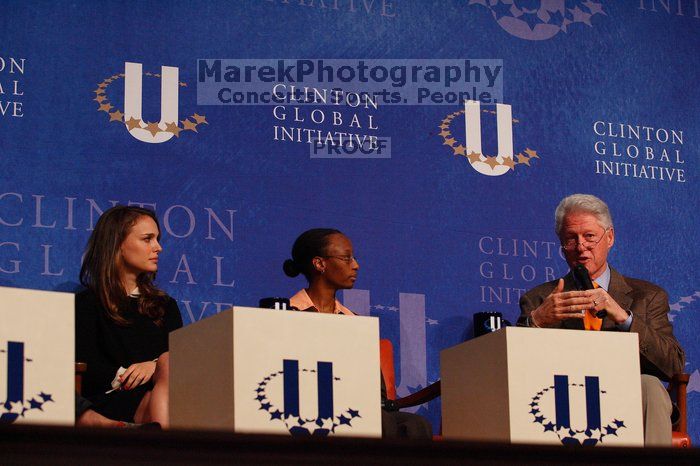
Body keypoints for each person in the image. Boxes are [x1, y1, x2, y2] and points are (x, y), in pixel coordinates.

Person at [517, 194, 684, 446]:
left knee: (649, 386)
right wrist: (536, 322)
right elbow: (513, 370)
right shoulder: (540, 298)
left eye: (589, 236)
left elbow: (673, 365)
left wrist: (625, 318)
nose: (581, 246)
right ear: (562, 246)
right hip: (562, 397)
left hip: (627, 397)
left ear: (610, 237)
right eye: (571, 239)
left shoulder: (647, 296)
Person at [284, 228, 432, 439]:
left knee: (417, 426)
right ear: (319, 264)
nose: (356, 265)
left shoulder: (355, 322)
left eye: (354, 258)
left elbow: (377, 391)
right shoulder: (286, 314)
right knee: (380, 423)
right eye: (346, 258)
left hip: (355, 406)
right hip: (304, 404)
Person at [75, 206, 182, 428]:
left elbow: (180, 363)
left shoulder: (166, 306)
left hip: (158, 398)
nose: (158, 247)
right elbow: (86, 367)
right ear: (118, 244)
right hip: (110, 399)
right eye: (147, 239)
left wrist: (153, 366)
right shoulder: (86, 304)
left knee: (170, 362)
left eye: (158, 239)